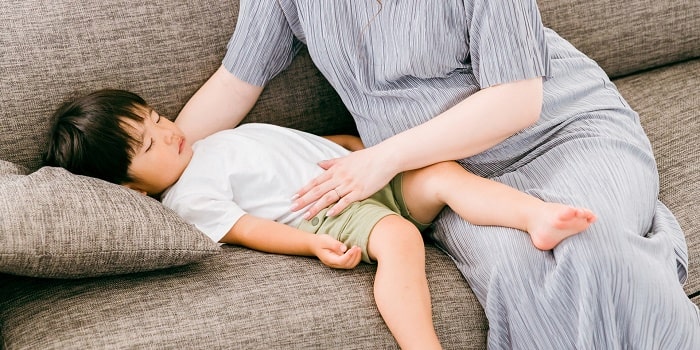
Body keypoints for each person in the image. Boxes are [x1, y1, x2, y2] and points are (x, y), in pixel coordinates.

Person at [173, 0, 700, 348]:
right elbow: (235, 82)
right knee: (519, 274)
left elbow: (518, 101)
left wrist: (382, 159)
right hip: (450, 180)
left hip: (565, 132)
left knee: (594, 246)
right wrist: (158, 181)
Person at [45, 89, 596, 350]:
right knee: (402, 237)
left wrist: (355, 148)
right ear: (129, 186)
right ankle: (421, 343)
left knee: (445, 173)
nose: (169, 131)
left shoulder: (208, 143)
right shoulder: (188, 196)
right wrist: (311, 246)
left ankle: (536, 215)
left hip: (358, 174)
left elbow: (285, 148)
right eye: (149, 143)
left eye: (158, 117)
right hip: (331, 212)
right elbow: (248, 228)